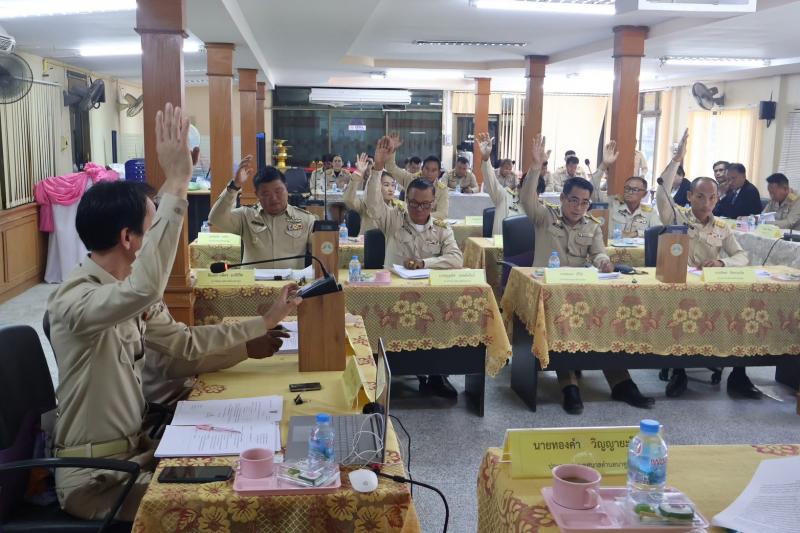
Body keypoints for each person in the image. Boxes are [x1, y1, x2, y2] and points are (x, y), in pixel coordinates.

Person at [47, 103, 303, 521]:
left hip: (136, 454)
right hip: (97, 478)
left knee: (251, 473)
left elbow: (183, 345)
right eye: (153, 230)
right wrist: (179, 181)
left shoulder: (127, 291)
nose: (158, 241)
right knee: (233, 507)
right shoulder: (77, 300)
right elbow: (145, 287)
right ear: (128, 238)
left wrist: (262, 325)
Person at [520, 135, 655, 414]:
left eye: (584, 202)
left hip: (580, 290)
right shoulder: (545, 217)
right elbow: (526, 198)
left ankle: (621, 382)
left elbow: (599, 254)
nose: (578, 207)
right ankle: (569, 385)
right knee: (563, 322)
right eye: (573, 200)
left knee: (608, 321)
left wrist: (604, 263)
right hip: (549, 293)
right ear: (562, 198)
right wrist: (535, 167)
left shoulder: (592, 226)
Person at [656, 132, 757, 399]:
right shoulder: (677, 216)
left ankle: (739, 375)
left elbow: (742, 256)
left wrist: (722, 261)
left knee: (743, 313)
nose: (706, 203)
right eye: (700, 197)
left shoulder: (722, 227)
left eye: (712, 198)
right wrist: (676, 161)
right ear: (690, 196)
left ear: (717, 199)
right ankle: (679, 371)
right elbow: (662, 195)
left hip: (712, 289)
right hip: (682, 288)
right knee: (682, 315)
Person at [370, 135, 464, 398]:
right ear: (406, 200)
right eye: (413, 203)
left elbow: (456, 259)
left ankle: (436, 374)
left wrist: (425, 263)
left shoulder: (442, 228)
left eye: (425, 204)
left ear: (432, 203)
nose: (419, 209)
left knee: (447, 313)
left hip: (430, 295)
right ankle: (388, 371)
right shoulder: (393, 219)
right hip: (393, 295)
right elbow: (374, 204)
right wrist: (377, 169)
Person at [209, 161, 315, 269]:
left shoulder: (306, 219)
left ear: (286, 188)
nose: (274, 198)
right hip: (253, 280)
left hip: (292, 280)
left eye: (278, 191)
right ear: (257, 195)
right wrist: (234, 187)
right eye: (266, 194)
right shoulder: (246, 215)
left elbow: (320, 252)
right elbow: (216, 218)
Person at [588, 140, 661, 238]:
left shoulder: (649, 212)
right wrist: (604, 165)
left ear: (644, 194)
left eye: (635, 190)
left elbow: (659, 232)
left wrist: (636, 233)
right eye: (627, 188)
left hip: (638, 249)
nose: (629, 192)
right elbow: (591, 190)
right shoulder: (612, 204)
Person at [384, 133, 449, 219]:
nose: (429, 173)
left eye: (433, 170)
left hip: (430, 225)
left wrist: (419, 216)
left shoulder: (442, 189)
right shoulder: (411, 179)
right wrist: (392, 150)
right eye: (427, 169)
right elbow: (390, 168)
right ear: (422, 169)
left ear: (439, 173)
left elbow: (442, 214)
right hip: (408, 223)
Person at [344, 152, 404, 233]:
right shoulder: (366, 204)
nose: (391, 189)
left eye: (393, 185)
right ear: (376, 186)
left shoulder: (398, 206)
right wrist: (358, 173)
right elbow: (348, 200)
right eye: (386, 185)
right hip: (369, 240)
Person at [476, 133, 520, 236]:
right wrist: (486, 158)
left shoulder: (528, 206)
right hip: (499, 244)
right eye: (506, 168)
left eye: (510, 169)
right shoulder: (503, 195)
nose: (508, 171)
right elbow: (490, 180)